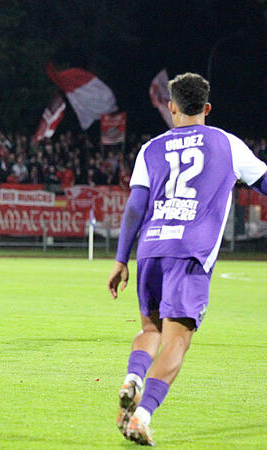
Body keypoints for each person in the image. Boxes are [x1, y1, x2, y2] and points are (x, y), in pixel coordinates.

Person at [107, 73, 267, 446]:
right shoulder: (227, 144)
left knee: (151, 331)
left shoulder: (152, 147)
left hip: (151, 248)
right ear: (207, 108)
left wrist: (120, 259)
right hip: (190, 252)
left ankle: (133, 378)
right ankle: (141, 416)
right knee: (177, 339)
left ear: (172, 107)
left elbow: (136, 206)